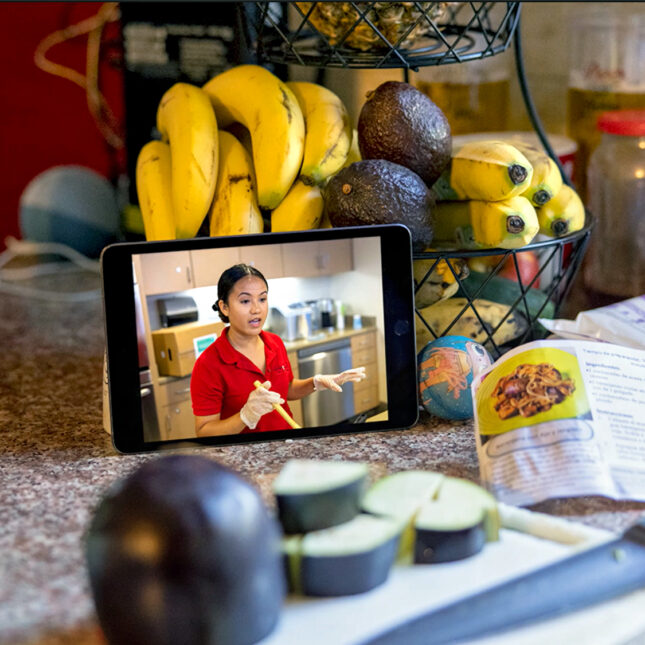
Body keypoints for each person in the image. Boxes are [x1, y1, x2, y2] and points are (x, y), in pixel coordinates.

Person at [191, 263, 365, 437]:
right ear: (224, 307)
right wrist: (245, 416)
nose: (256, 309)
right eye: (245, 301)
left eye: (262, 299)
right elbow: (204, 431)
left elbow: (286, 389)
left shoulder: (274, 343)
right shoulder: (208, 364)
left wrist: (316, 382)